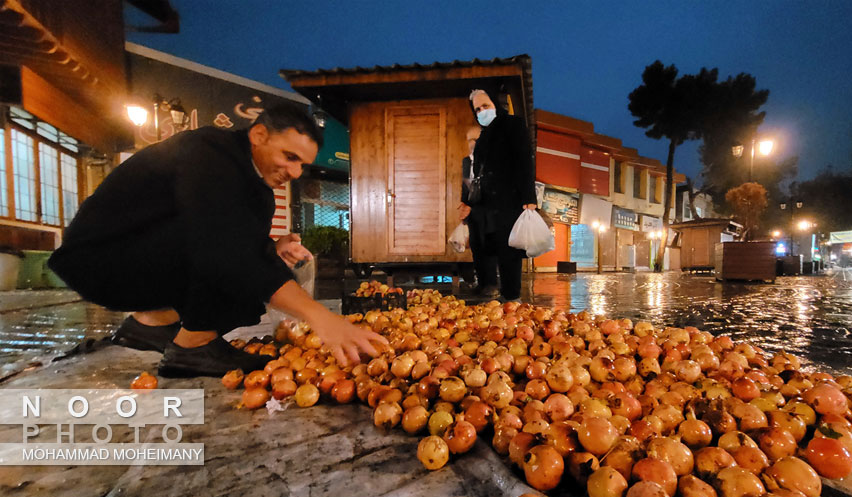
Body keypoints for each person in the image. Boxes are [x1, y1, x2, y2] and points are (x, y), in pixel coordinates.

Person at [49, 104, 386, 377]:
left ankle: (151, 325)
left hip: (137, 260)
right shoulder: (210, 152)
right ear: (258, 135)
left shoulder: (257, 188)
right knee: (232, 260)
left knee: (250, 265)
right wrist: (321, 317)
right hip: (99, 261)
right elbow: (219, 243)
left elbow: (233, 236)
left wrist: (272, 248)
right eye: (290, 157)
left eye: (303, 164)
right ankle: (193, 345)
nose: (296, 173)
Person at [465, 88, 536, 302]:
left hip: (509, 200)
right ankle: (488, 287)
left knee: (509, 250)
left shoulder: (513, 125)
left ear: (495, 104)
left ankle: (511, 297)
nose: (482, 111)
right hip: (485, 203)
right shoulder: (483, 135)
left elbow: (525, 161)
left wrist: (529, 198)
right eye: (477, 109)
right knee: (483, 246)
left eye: (485, 106)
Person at [457, 125, 497, 297]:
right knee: (475, 247)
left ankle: (491, 284)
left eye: (476, 139)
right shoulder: (466, 161)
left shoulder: (492, 161)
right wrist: (463, 205)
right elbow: (465, 186)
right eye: (469, 140)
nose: (472, 143)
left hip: (487, 211)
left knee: (488, 247)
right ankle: (481, 283)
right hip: (472, 212)